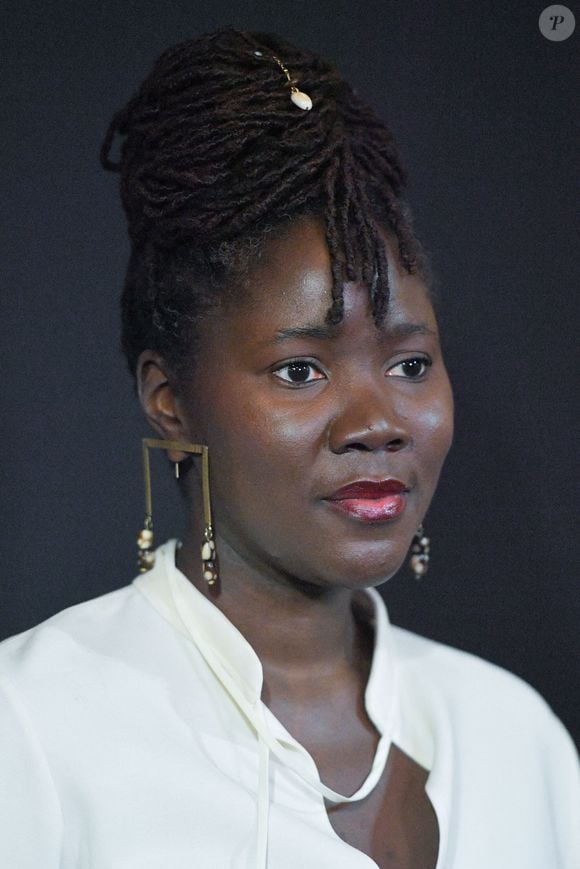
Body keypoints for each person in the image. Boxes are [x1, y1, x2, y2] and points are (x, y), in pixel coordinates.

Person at [0, 27, 577, 869]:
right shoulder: (32, 729)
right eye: (300, 369)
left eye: (411, 362)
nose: (377, 420)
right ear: (169, 399)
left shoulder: (512, 734)